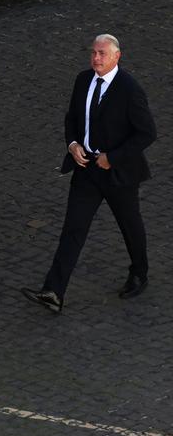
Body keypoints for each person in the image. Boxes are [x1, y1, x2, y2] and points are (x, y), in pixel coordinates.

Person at [22, 34, 156, 313]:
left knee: (130, 226)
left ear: (117, 57)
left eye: (102, 54)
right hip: (86, 171)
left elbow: (147, 133)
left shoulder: (130, 89)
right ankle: (53, 291)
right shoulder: (83, 80)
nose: (96, 58)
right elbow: (72, 118)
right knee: (73, 228)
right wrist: (72, 145)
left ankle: (139, 272)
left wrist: (113, 158)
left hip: (119, 175)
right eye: (93, 53)